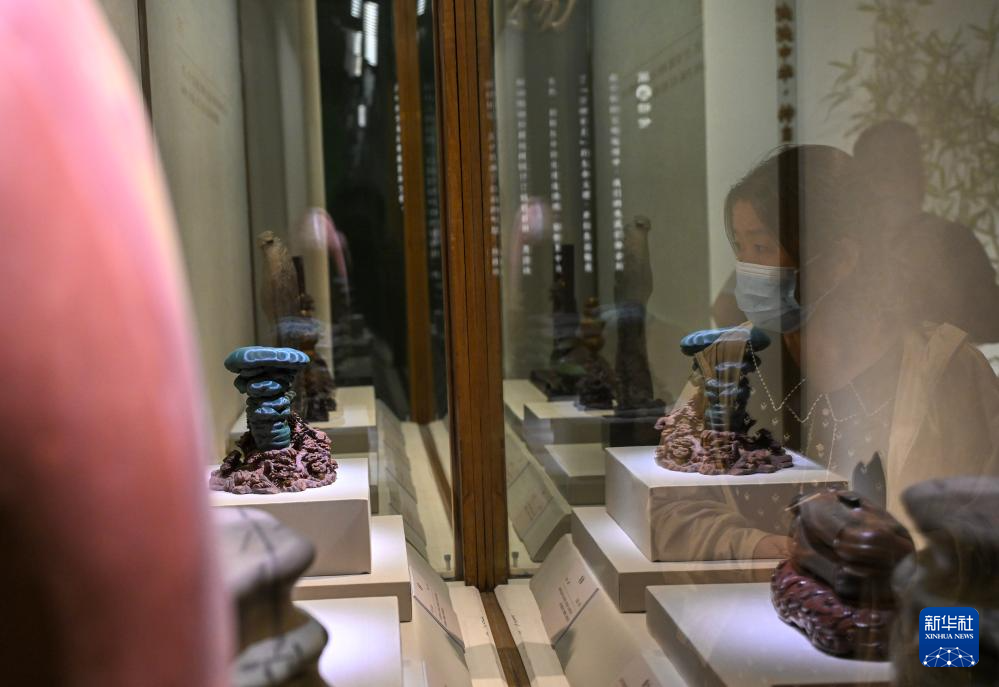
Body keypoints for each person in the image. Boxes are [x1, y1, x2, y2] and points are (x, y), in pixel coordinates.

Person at [653, 145, 999, 561]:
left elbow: (984, 526)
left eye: (761, 248)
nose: (744, 268)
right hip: (743, 598)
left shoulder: (941, 369)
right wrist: (757, 547)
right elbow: (666, 504)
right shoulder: (726, 363)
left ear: (840, 259)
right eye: (740, 247)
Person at [852, 120, 999, 343]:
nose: (914, 174)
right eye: (886, 167)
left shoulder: (953, 240)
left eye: (911, 164)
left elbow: (990, 321)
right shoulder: (844, 250)